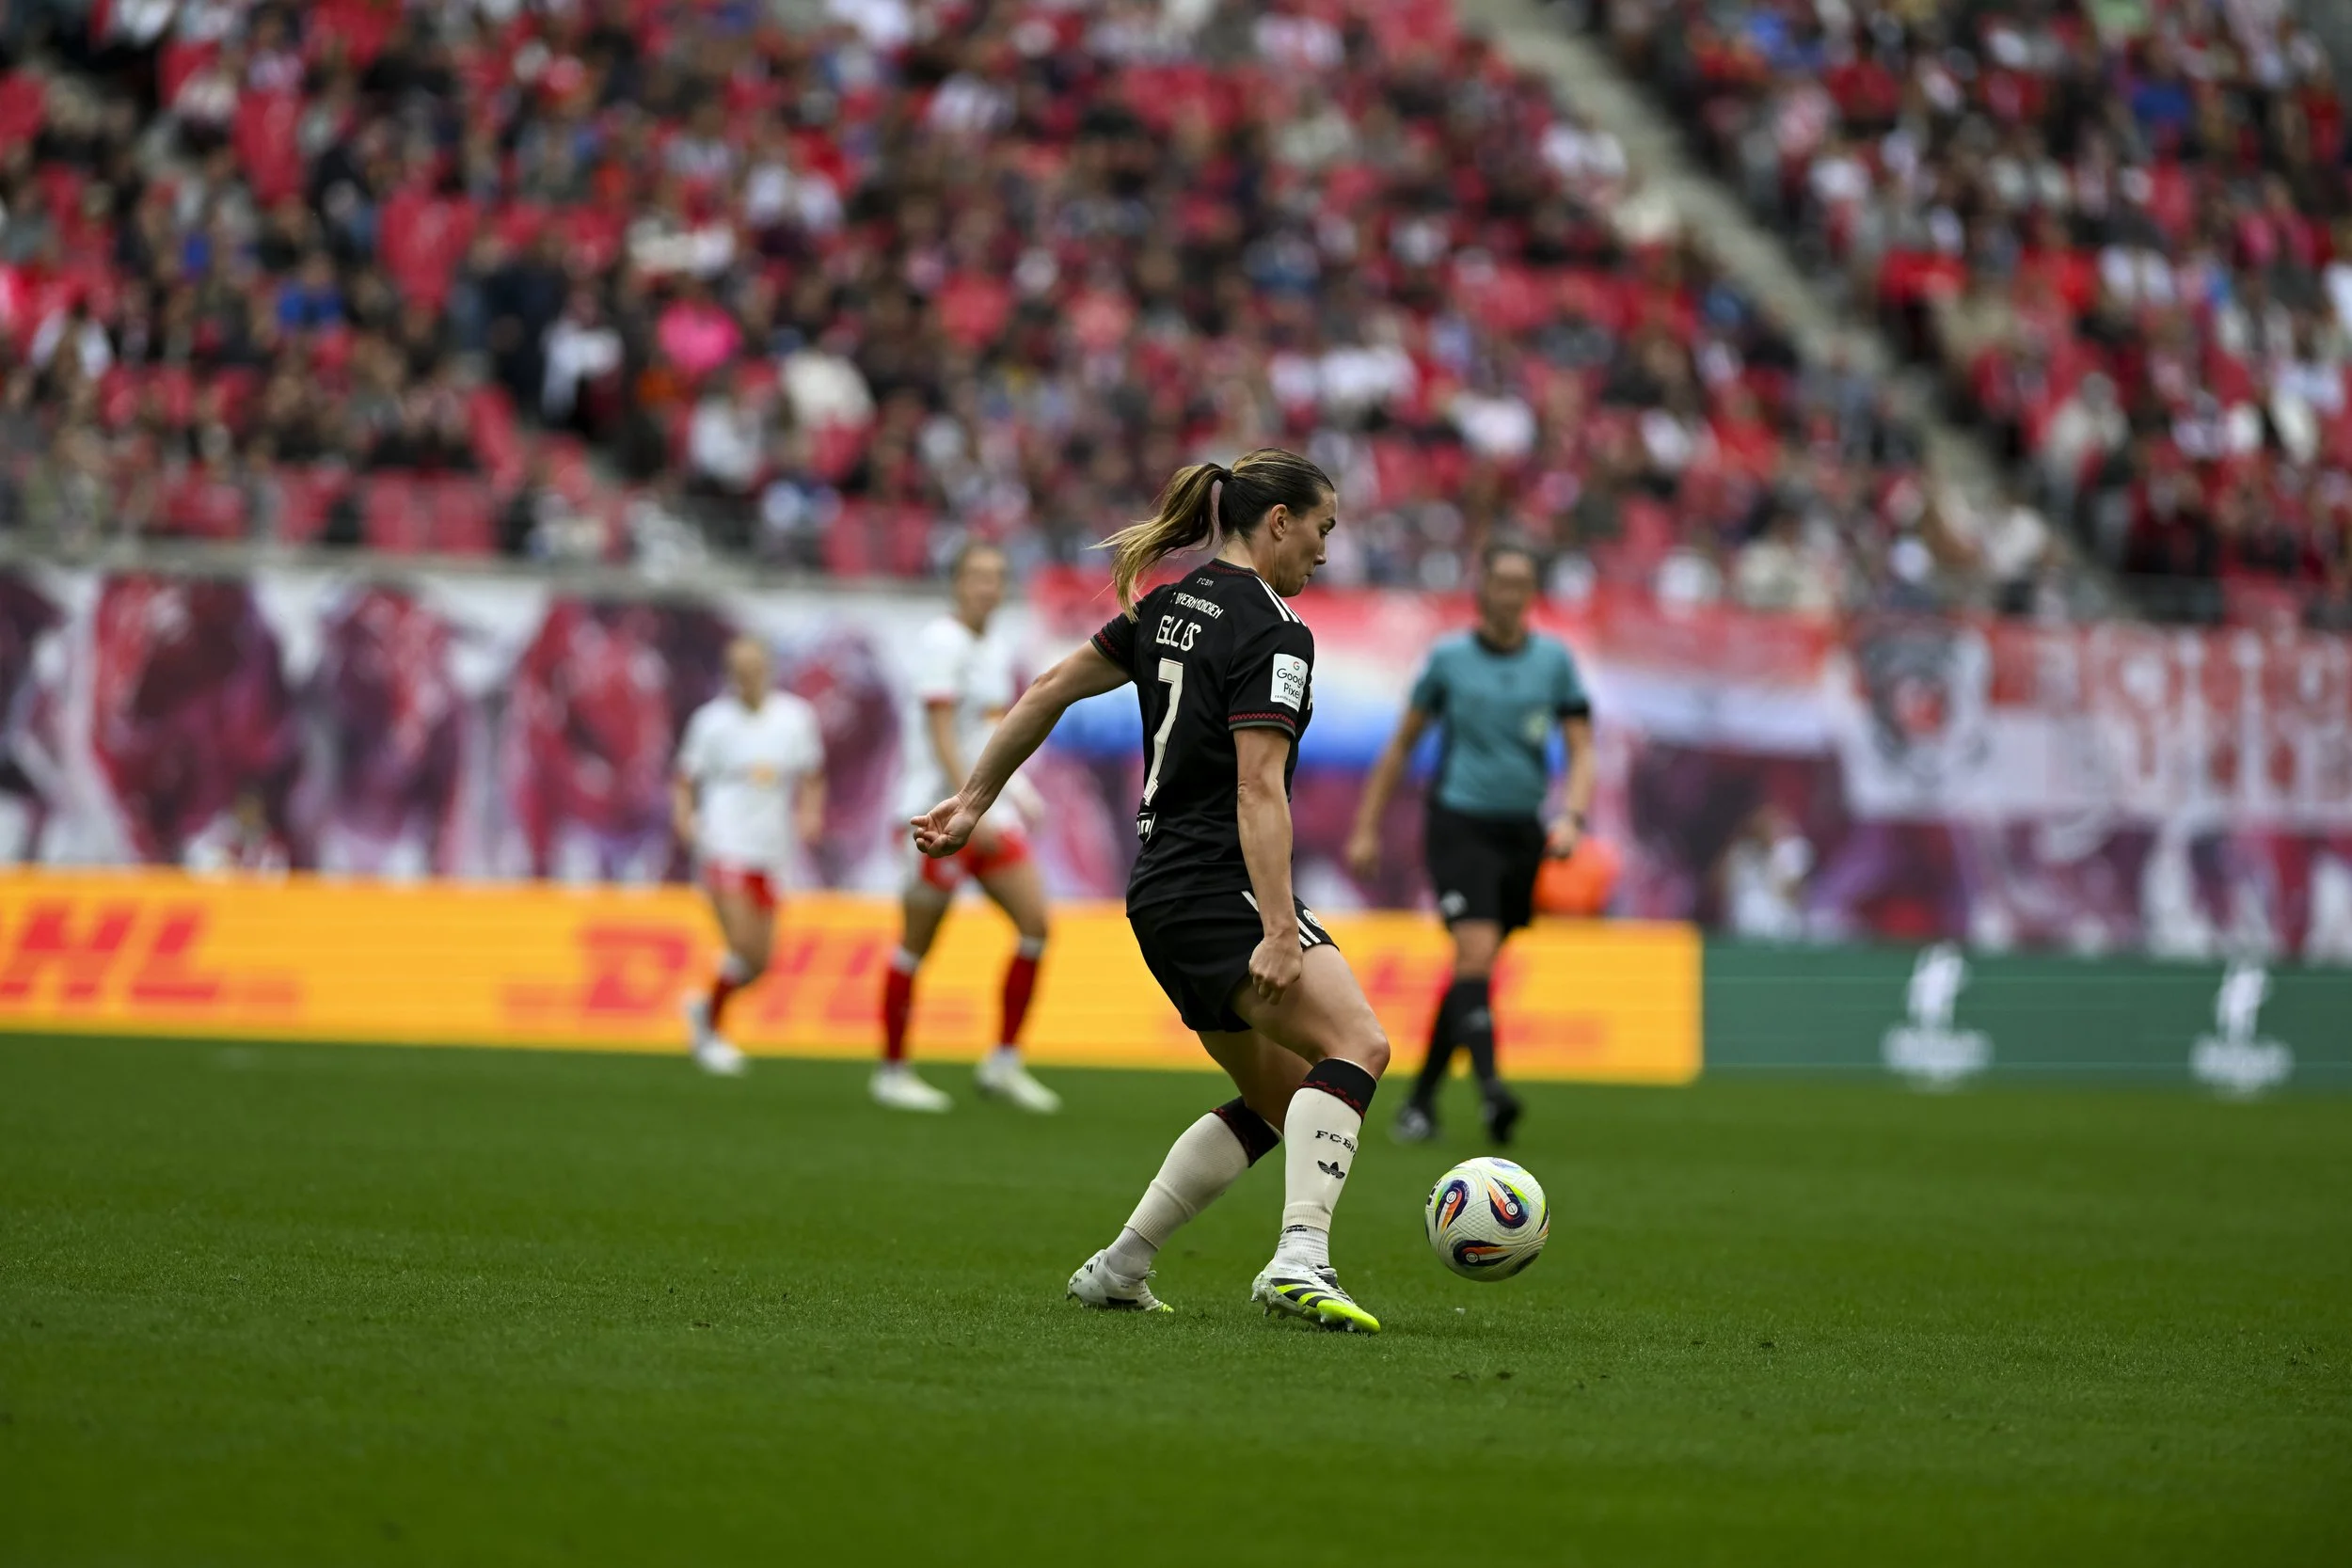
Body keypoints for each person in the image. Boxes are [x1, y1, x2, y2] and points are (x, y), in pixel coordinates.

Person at [911, 448, 1393, 1333]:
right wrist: (1282, 927)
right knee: (1358, 1044)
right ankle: (1300, 1258)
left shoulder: (1169, 603)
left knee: (1280, 1100)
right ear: (1278, 520)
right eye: (1323, 529)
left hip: (1158, 891)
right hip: (1219, 883)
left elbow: (1050, 688)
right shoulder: (1277, 631)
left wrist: (973, 800)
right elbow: (1258, 787)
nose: (1326, 551)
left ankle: (1120, 1266)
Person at [1345, 540, 1594, 1146]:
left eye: (1521, 583)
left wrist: (1574, 816)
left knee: (1472, 972)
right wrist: (1367, 826)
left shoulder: (1555, 663)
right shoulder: (1449, 661)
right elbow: (1402, 745)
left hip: (1523, 832)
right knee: (1476, 956)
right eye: (1500, 581)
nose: (1509, 594)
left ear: (1532, 594)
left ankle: (1421, 1102)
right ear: (1482, 590)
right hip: (1460, 823)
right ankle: (1491, 1091)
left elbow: (1583, 748)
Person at [876, 542, 1062, 1115]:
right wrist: (965, 808)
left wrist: (1021, 793)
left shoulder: (994, 648)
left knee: (1035, 925)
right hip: (937, 814)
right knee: (917, 944)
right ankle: (893, 1069)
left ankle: (1003, 1060)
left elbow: (993, 733)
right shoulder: (942, 642)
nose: (989, 586)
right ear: (957, 582)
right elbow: (939, 732)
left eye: (997, 576)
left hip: (985, 812)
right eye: (978, 575)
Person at [674, 636, 827, 1076]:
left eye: (754, 667)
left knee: (759, 962)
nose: (748, 676)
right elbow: (685, 778)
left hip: (771, 848)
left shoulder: (796, 718)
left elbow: (812, 774)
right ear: (729, 674)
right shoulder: (711, 722)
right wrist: (685, 820)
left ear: (769, 668)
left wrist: (810, 813)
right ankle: (712, 1034)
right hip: (724, 842)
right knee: (739, 942)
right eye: (738, 669)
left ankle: (704, 1007)